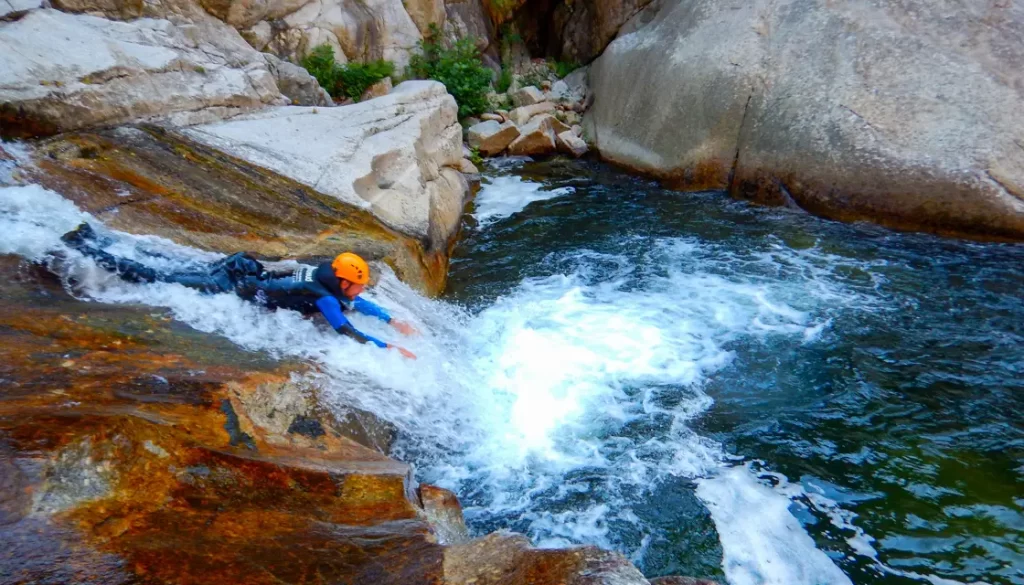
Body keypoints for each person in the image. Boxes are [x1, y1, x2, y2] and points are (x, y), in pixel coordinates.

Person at [60, 223, 418, 359]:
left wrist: (390, 319)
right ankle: (85, 247)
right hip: (227, 284)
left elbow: (359, 304)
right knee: (154, 276)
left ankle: (96, 236)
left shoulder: (328, 275)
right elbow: (345, 329)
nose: (360, 290)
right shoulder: (325, 296)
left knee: (165, 264)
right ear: (342, 282)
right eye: (357, 284)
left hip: (243, 266)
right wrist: (387, 346)